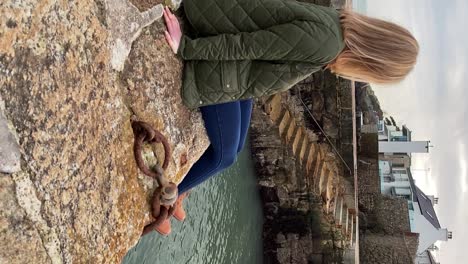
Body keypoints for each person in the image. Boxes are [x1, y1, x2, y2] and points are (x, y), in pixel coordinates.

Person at [156, 0, 419, 235]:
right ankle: (166, 199)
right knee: (226, 155)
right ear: (372, 61)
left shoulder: (335, 28)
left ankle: (182, 192)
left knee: (237, 142)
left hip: (237, 56)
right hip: (219, 37)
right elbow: (250, 45)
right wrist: (187, 48)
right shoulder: (325, 45)